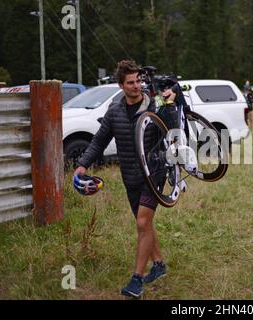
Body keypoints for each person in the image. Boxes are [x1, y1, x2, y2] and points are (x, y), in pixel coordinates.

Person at [74, 60, 176, 299]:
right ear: (120, 85)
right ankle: (159, 265)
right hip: (130, 176)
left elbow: (173, 130)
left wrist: (169, 103)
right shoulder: (114, 111)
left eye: (139, 81)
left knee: (142, 223)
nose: (137, 86)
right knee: (145, 225)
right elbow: (99, 141)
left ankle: (137, 279)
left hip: (154, 173)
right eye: (131, 82)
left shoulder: (154, 103)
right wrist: (81, 164)